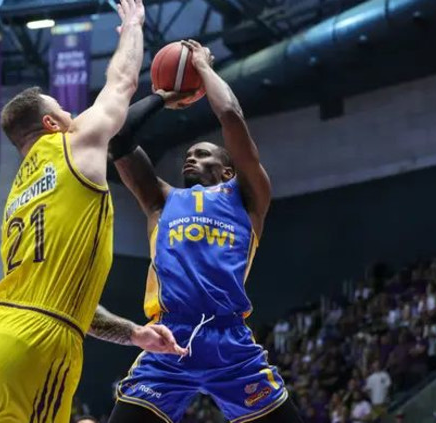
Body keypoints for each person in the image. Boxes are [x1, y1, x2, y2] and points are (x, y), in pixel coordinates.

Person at [0, 1, 186, 422]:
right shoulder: (74, 143)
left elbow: (75, 307)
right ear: (50, 124)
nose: (71, 113)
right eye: (62, 108)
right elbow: (121, 84)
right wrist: (133, 26)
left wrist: (135, 334)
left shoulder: (17, 196)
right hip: (36, 338)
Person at [105, 39, 304, 423]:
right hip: (168, 337)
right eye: (187, 155)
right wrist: (163, 97)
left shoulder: (248, 197)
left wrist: (204, 67)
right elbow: (120, 138)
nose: (190, 158)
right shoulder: (161, 200)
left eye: (201, 153)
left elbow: (230, 115)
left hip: (229, 341)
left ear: (228, 170)